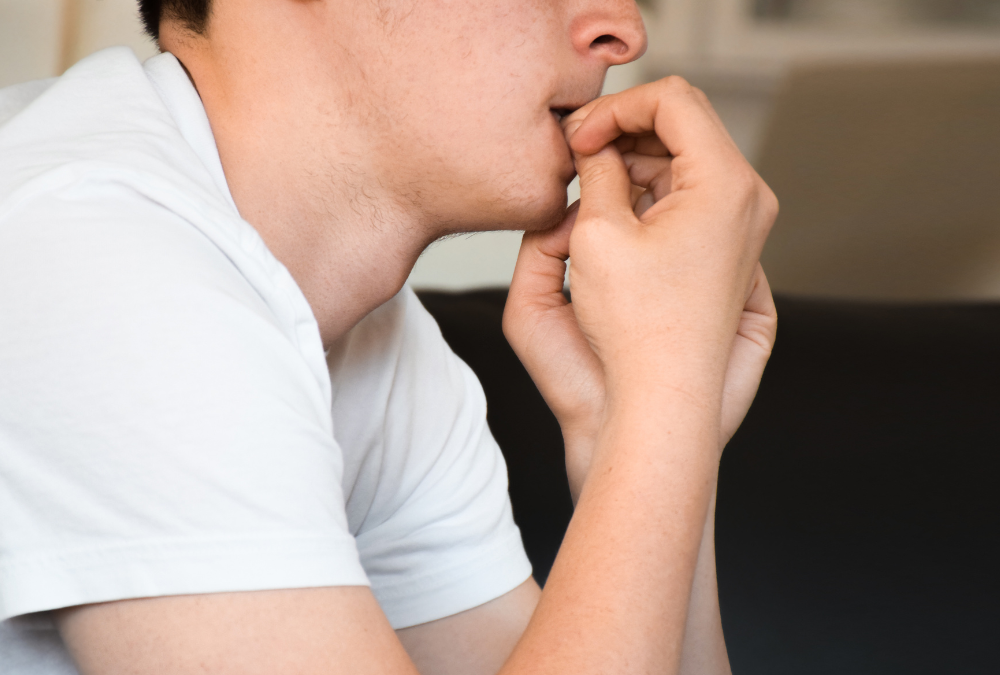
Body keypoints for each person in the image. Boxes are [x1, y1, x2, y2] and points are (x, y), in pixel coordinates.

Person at [0, 0, 777, 673]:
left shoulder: (376, 339)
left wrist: (650, 421)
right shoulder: (95, 256)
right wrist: (665, 384)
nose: (623, 32)